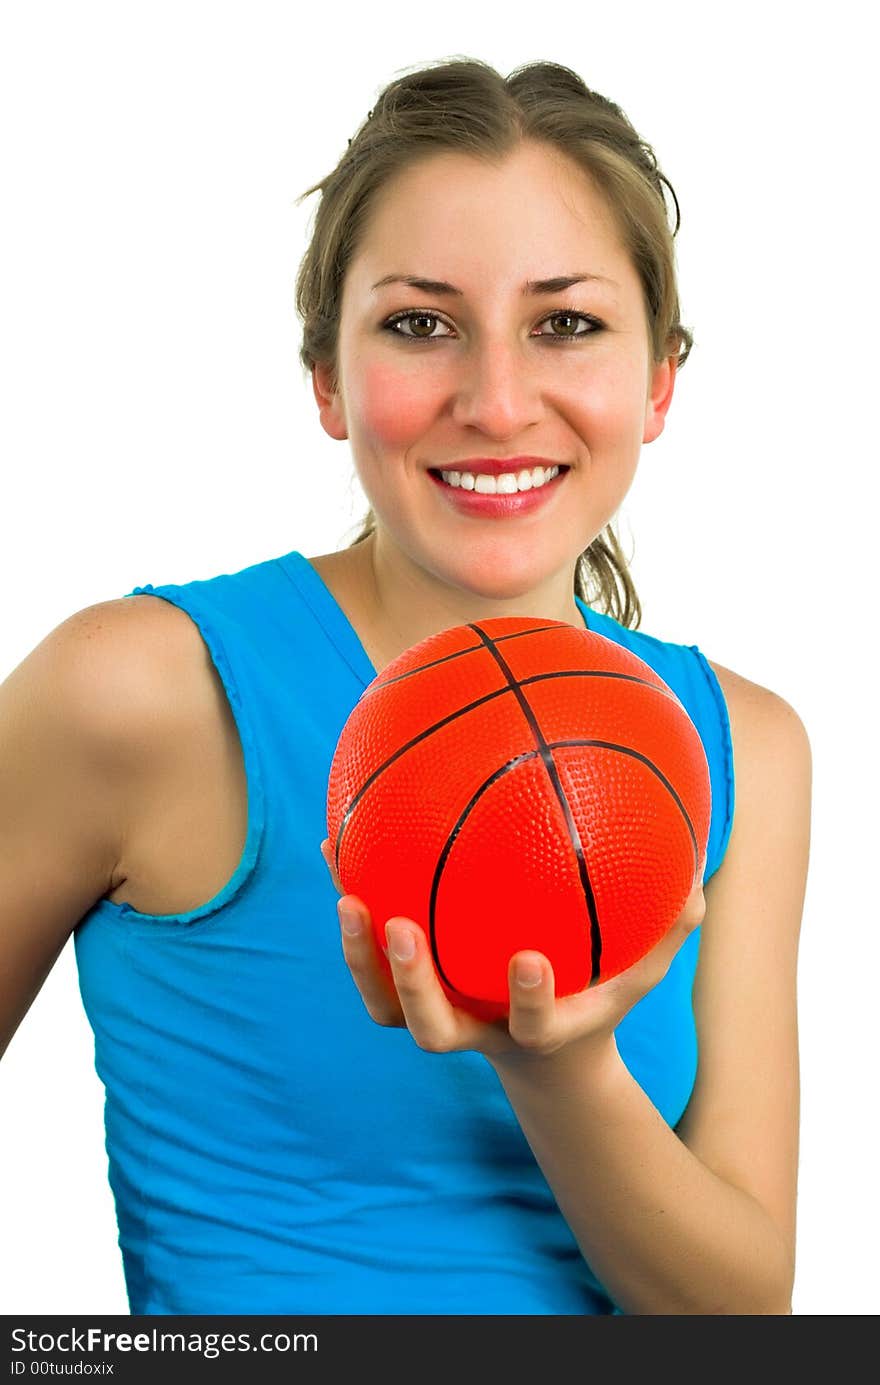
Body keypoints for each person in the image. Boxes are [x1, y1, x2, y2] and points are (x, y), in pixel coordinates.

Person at [0, 57, 811, 1316]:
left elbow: (739, 1312)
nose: (495, 401)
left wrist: (562, 1070)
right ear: (327, 377)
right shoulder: (142, 690)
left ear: (657, 382)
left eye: (567, 323)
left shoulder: (742, 747)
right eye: (421, 323)